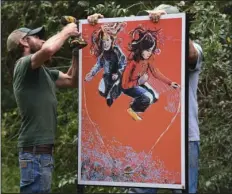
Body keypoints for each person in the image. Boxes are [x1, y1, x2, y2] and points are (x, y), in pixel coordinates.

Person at [88, 4, 203, 193]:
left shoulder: (190, 47)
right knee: (140, 189)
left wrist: (175, 24)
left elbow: (190, 55)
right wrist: (95, 25)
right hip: (150, 136)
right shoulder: (138, 57)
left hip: (184, 137)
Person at [7, 14, 95, 193]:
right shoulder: (22, 65)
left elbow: (71, 80)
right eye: (36, 37)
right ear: (24, 42)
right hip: (34, 153)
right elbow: (48, 50)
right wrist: (66, 31)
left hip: (41, 154)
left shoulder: (44, 72)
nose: (42, 39)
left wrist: (75, 51)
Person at [121, 26, 179, 121]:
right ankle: (132, 109)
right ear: (141, 48)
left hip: (140, 81)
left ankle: (136, 102)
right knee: (148, 98)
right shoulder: (132, 62)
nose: (149, 53)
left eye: (151, 50)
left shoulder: (150, 57)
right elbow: (125, 84)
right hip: (128, 86)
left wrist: (170, 82)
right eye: (147, 50)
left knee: (155, 97)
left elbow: (155, 72)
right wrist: (138, 82)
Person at [85, 22, 127, 106]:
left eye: (107, 40)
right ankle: (109, 93)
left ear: (112, 40)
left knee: (113, 93)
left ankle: (115, 90)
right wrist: (92, 73)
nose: (105, 43)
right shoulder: (102, 53)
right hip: (107, 76)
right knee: (102, 91)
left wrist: (118, 73)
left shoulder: (116, 51)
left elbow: (124, 63)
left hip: (118, 75)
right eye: (103, 41)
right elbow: (98, 64)